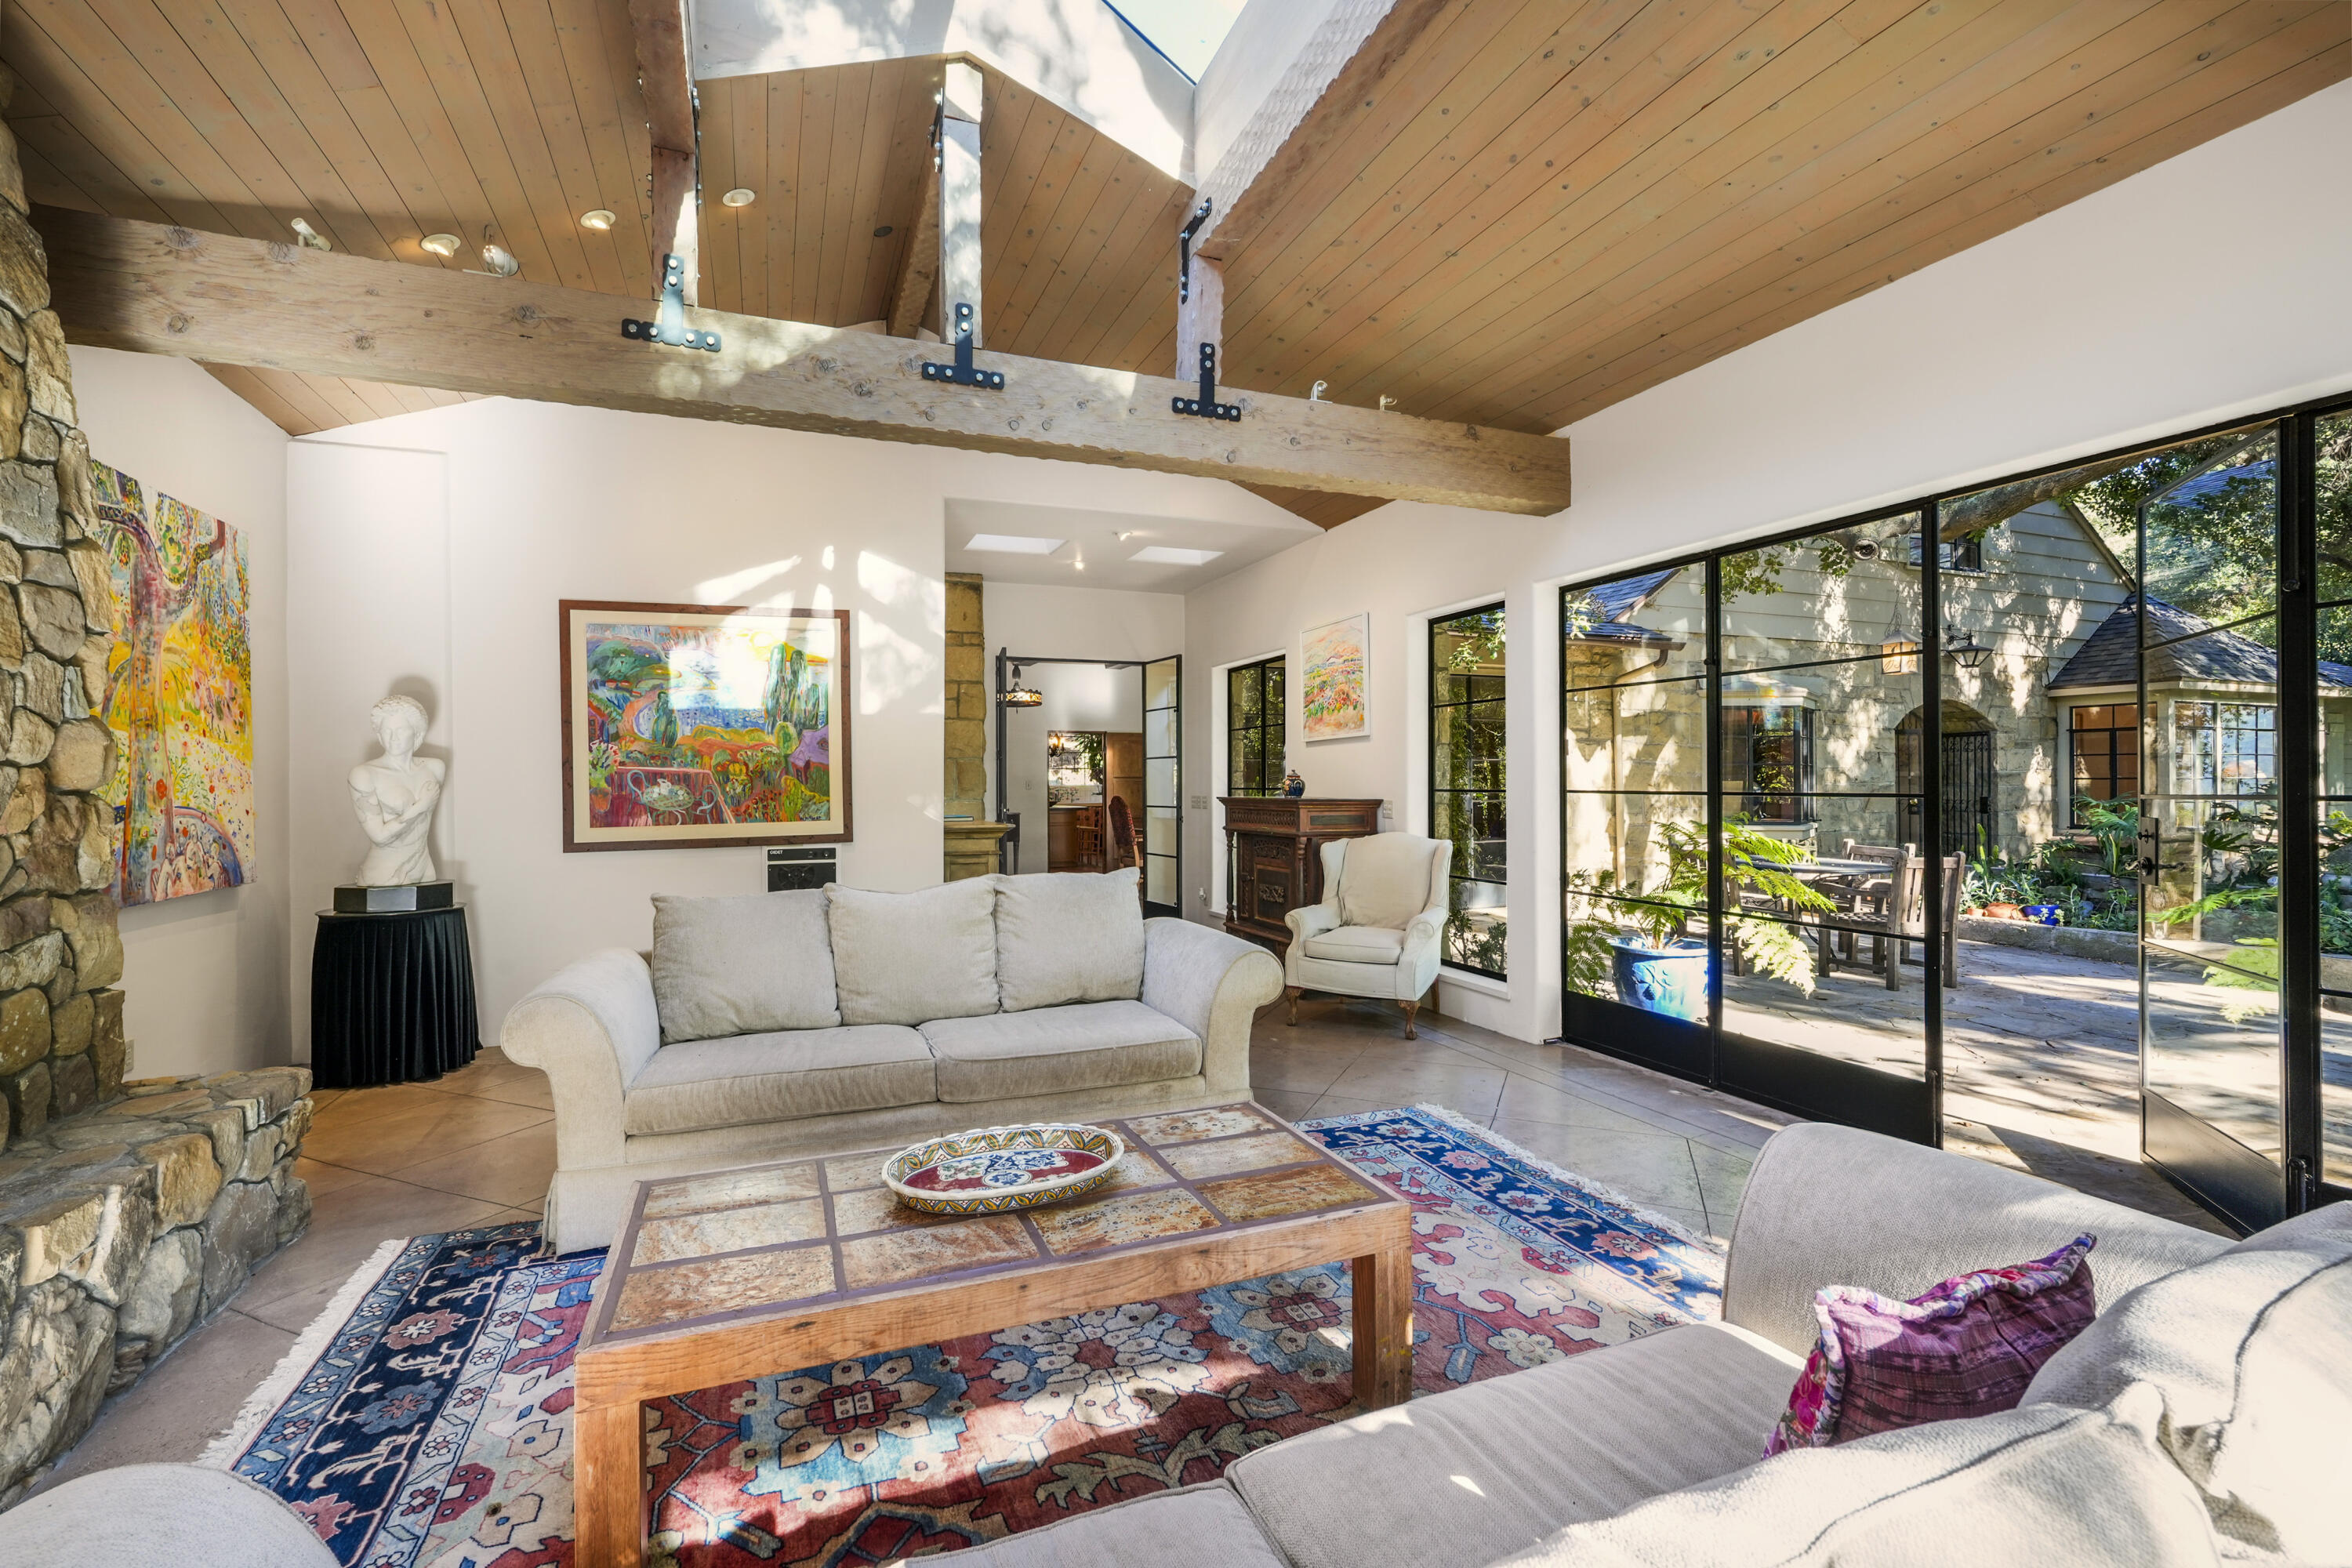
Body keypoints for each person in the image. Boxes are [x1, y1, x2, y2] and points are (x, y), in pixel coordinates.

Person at [350, 694, 445, 884]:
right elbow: (379, 837)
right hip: (385, 875)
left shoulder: (434, 768)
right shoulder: (365, 774)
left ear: (417, 733)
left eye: (401, 730)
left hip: (425, 870)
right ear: (379, 734)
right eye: (386, 731)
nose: (393, 738)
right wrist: (421, 805)